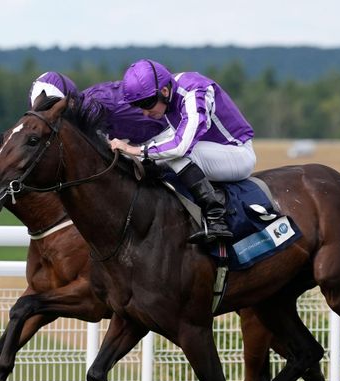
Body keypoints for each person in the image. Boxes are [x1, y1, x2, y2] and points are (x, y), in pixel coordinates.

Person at [107, 60, 257, 245]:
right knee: (155, 155)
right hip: (212, 151)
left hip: (239, 154)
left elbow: (181, 146)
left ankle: (216, 219)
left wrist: (134, 149)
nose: (145, 113)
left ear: (164, 91)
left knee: (176, 155)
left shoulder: (195, 92)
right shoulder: (170, 92)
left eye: (147, 104)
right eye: (139, 106)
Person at [28, 71, 163, 146]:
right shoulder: (80, 107)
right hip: (146, 141)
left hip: (169, 133)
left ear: (70, 101)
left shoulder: (93, 103)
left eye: (55, 108)